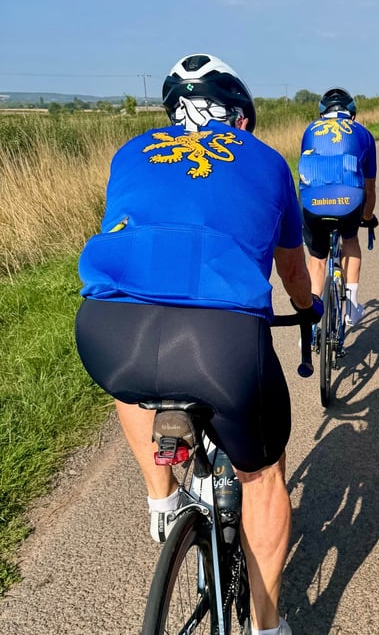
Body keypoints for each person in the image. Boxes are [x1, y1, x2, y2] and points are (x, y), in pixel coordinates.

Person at [75, 53, 321, 635]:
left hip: (108, 331)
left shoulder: (131, 151)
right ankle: (266, 625)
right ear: (241, 118)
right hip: (220, 341)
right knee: (263, 473)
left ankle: (162, 501)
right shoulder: (267, 161)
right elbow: (292, 271)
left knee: (133, 383)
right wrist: (307, 309)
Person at [298, 87, 377, 326]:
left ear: (322, 114)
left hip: (312, 201)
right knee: (350, 239)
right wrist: (367, 217)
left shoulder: (310, 129)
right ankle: (351, 308)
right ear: (352, 114)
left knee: (317, 258)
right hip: (348, 200)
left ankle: (311, 324)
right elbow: (370, 186)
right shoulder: (363, 133)